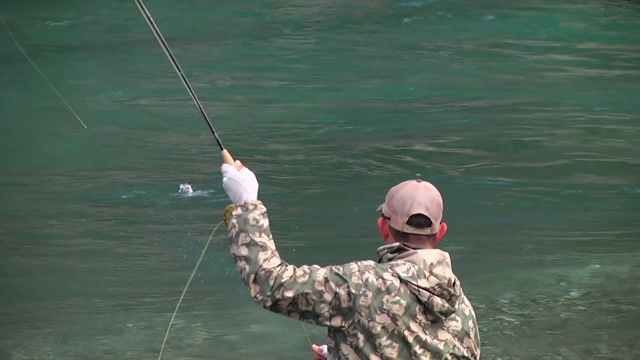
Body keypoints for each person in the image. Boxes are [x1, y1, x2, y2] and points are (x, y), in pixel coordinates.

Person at [221, 159, 480, 360]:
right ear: (441, 232)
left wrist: (247, 204)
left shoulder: (361, 284)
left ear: (383, 226)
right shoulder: (461, 305)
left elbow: (272, 284)